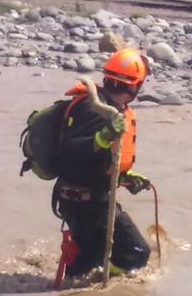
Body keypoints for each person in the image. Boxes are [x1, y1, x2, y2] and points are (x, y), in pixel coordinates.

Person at [52, 48, 154, 280]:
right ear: (133, 86)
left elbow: (94, 163)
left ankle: (77, 295)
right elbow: (70, 152)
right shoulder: (95, 110)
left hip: (83, 198)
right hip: (86, 204)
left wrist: (124, 177)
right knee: (136, 253)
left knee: (88, 262)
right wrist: (103, 137)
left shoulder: (107, 107)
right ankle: (97, 289)